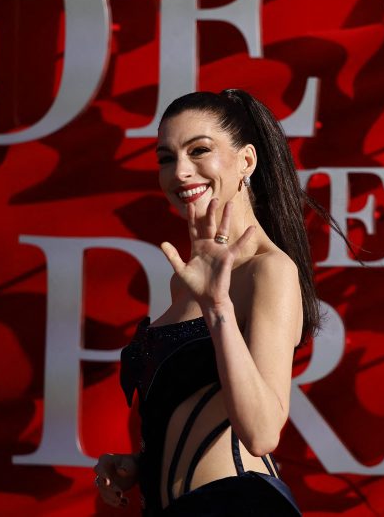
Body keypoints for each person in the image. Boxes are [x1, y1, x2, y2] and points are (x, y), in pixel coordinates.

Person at [93, 89, 328, 515]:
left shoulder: (269, 270)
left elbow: (261, 434)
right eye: (166, 158)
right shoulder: (186, 281)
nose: (181, 171)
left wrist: (218, 308)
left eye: (199, 150)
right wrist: (139, 465)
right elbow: (190, 408)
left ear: (247, 161)